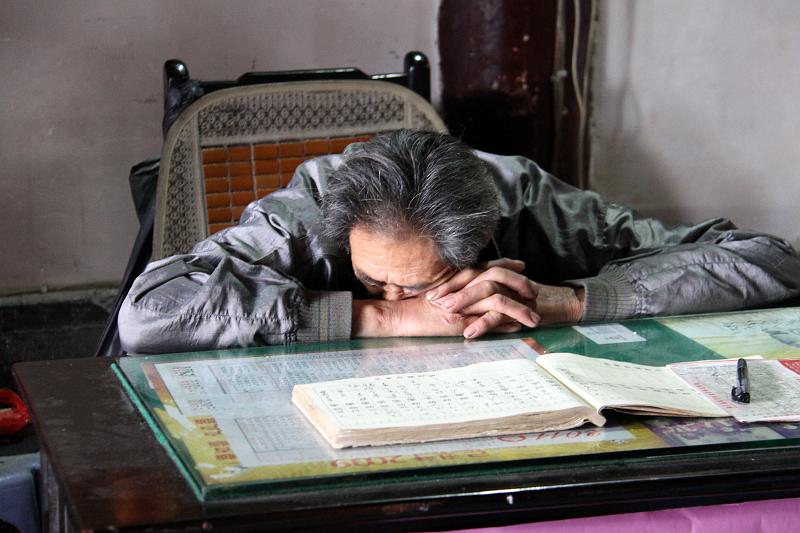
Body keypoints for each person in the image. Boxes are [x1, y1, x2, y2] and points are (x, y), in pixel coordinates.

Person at [118, 130, 800, 353]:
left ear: (483, 242)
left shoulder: (526, 199)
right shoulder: (313, 207)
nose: (391, 290)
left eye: (416, 283)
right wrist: (383, 314)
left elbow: (773, 261)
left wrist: (569, 301)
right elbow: (148, 309)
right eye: (371, 276)